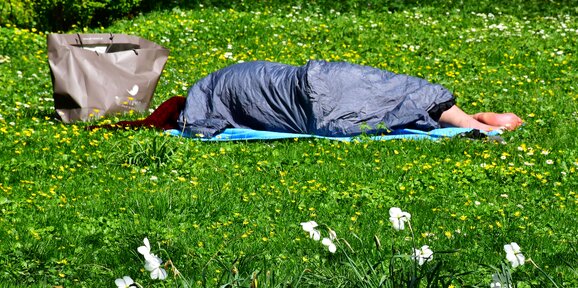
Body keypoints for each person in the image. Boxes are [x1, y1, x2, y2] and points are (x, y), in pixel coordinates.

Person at [93, 60, 523, 136]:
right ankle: (468, 118)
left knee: (370, 103)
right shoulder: (217, 83)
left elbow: (206, 121)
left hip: (309, 89)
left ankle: (471, 124)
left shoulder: (211, 95)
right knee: (389, 89)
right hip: (311, 78)